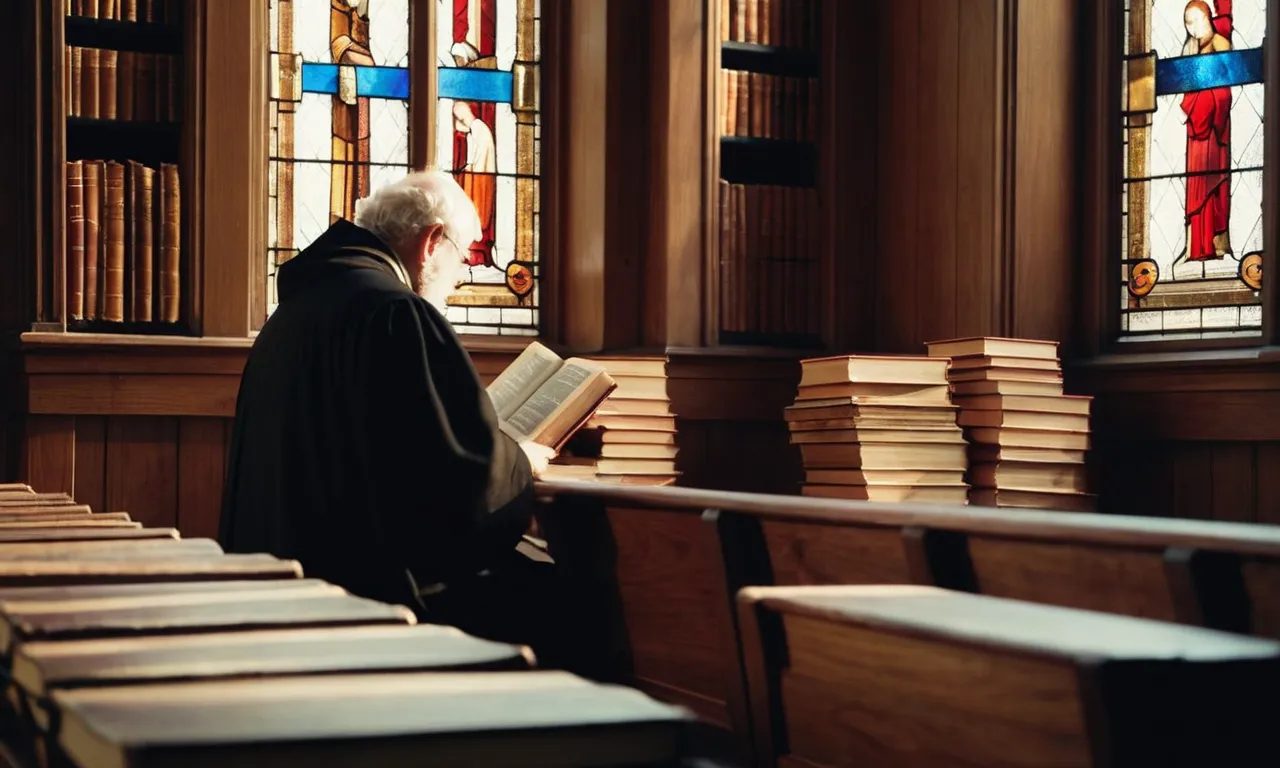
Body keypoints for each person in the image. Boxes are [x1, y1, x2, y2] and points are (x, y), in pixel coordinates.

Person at [220, 170, 560, 656]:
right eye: (463, 256)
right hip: (366, 607)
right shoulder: (396, 314)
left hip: (281, 594)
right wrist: (521, 463)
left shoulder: (294, 313)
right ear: (431, 241)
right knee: (563, 606)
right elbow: (457, 480)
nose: (462, 276)